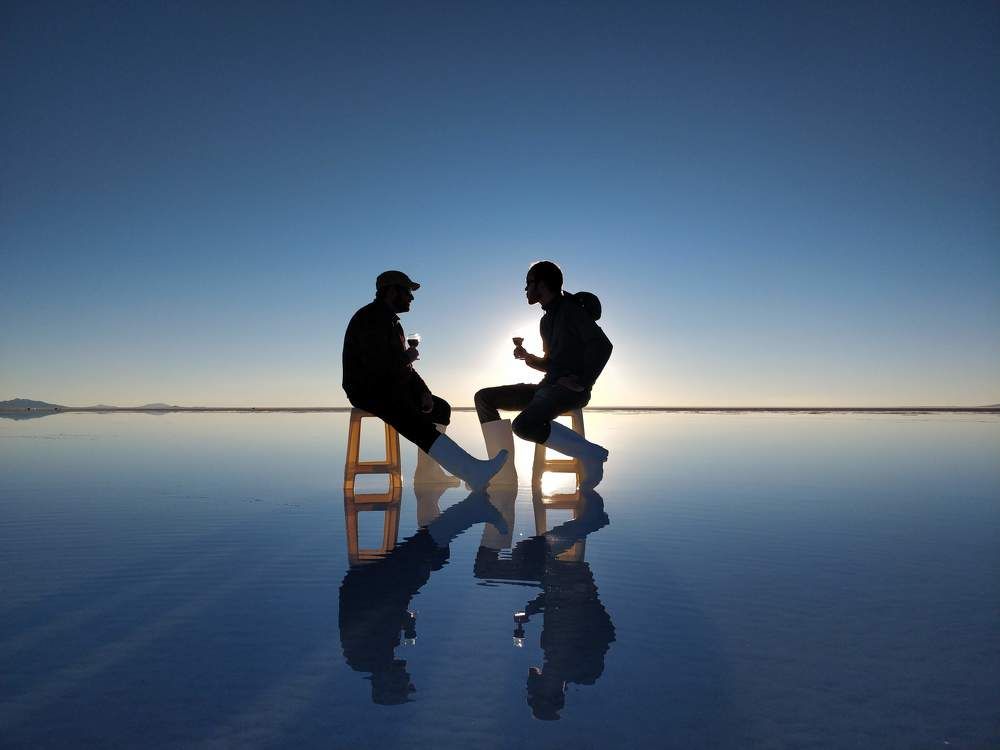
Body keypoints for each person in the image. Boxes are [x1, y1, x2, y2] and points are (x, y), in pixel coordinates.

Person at [343, 270, 507, 490]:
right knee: (410, 415)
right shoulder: (371, 318)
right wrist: (405, 358)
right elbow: (377, 368)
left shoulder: (392, 323)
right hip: (369, 390)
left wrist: (423, 392)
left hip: (390, 386)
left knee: (440, 409)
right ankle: (472, 471)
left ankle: (428, 473)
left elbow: (404, 368)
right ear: (392, 292)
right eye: (408, 292)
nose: (412, 298)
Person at [474, 261, 612, 488]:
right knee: (483, 398)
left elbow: (603, 346)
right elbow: (551, 363)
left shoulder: (571, 310)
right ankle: (502, 472)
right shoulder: (546, 320)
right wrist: (528, 357)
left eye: (528, 282)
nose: (525, 289)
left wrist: (583, 381)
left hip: (569, 392)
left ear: (543, 284)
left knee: (524, 425)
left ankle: (591, 453)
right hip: (546, 387)